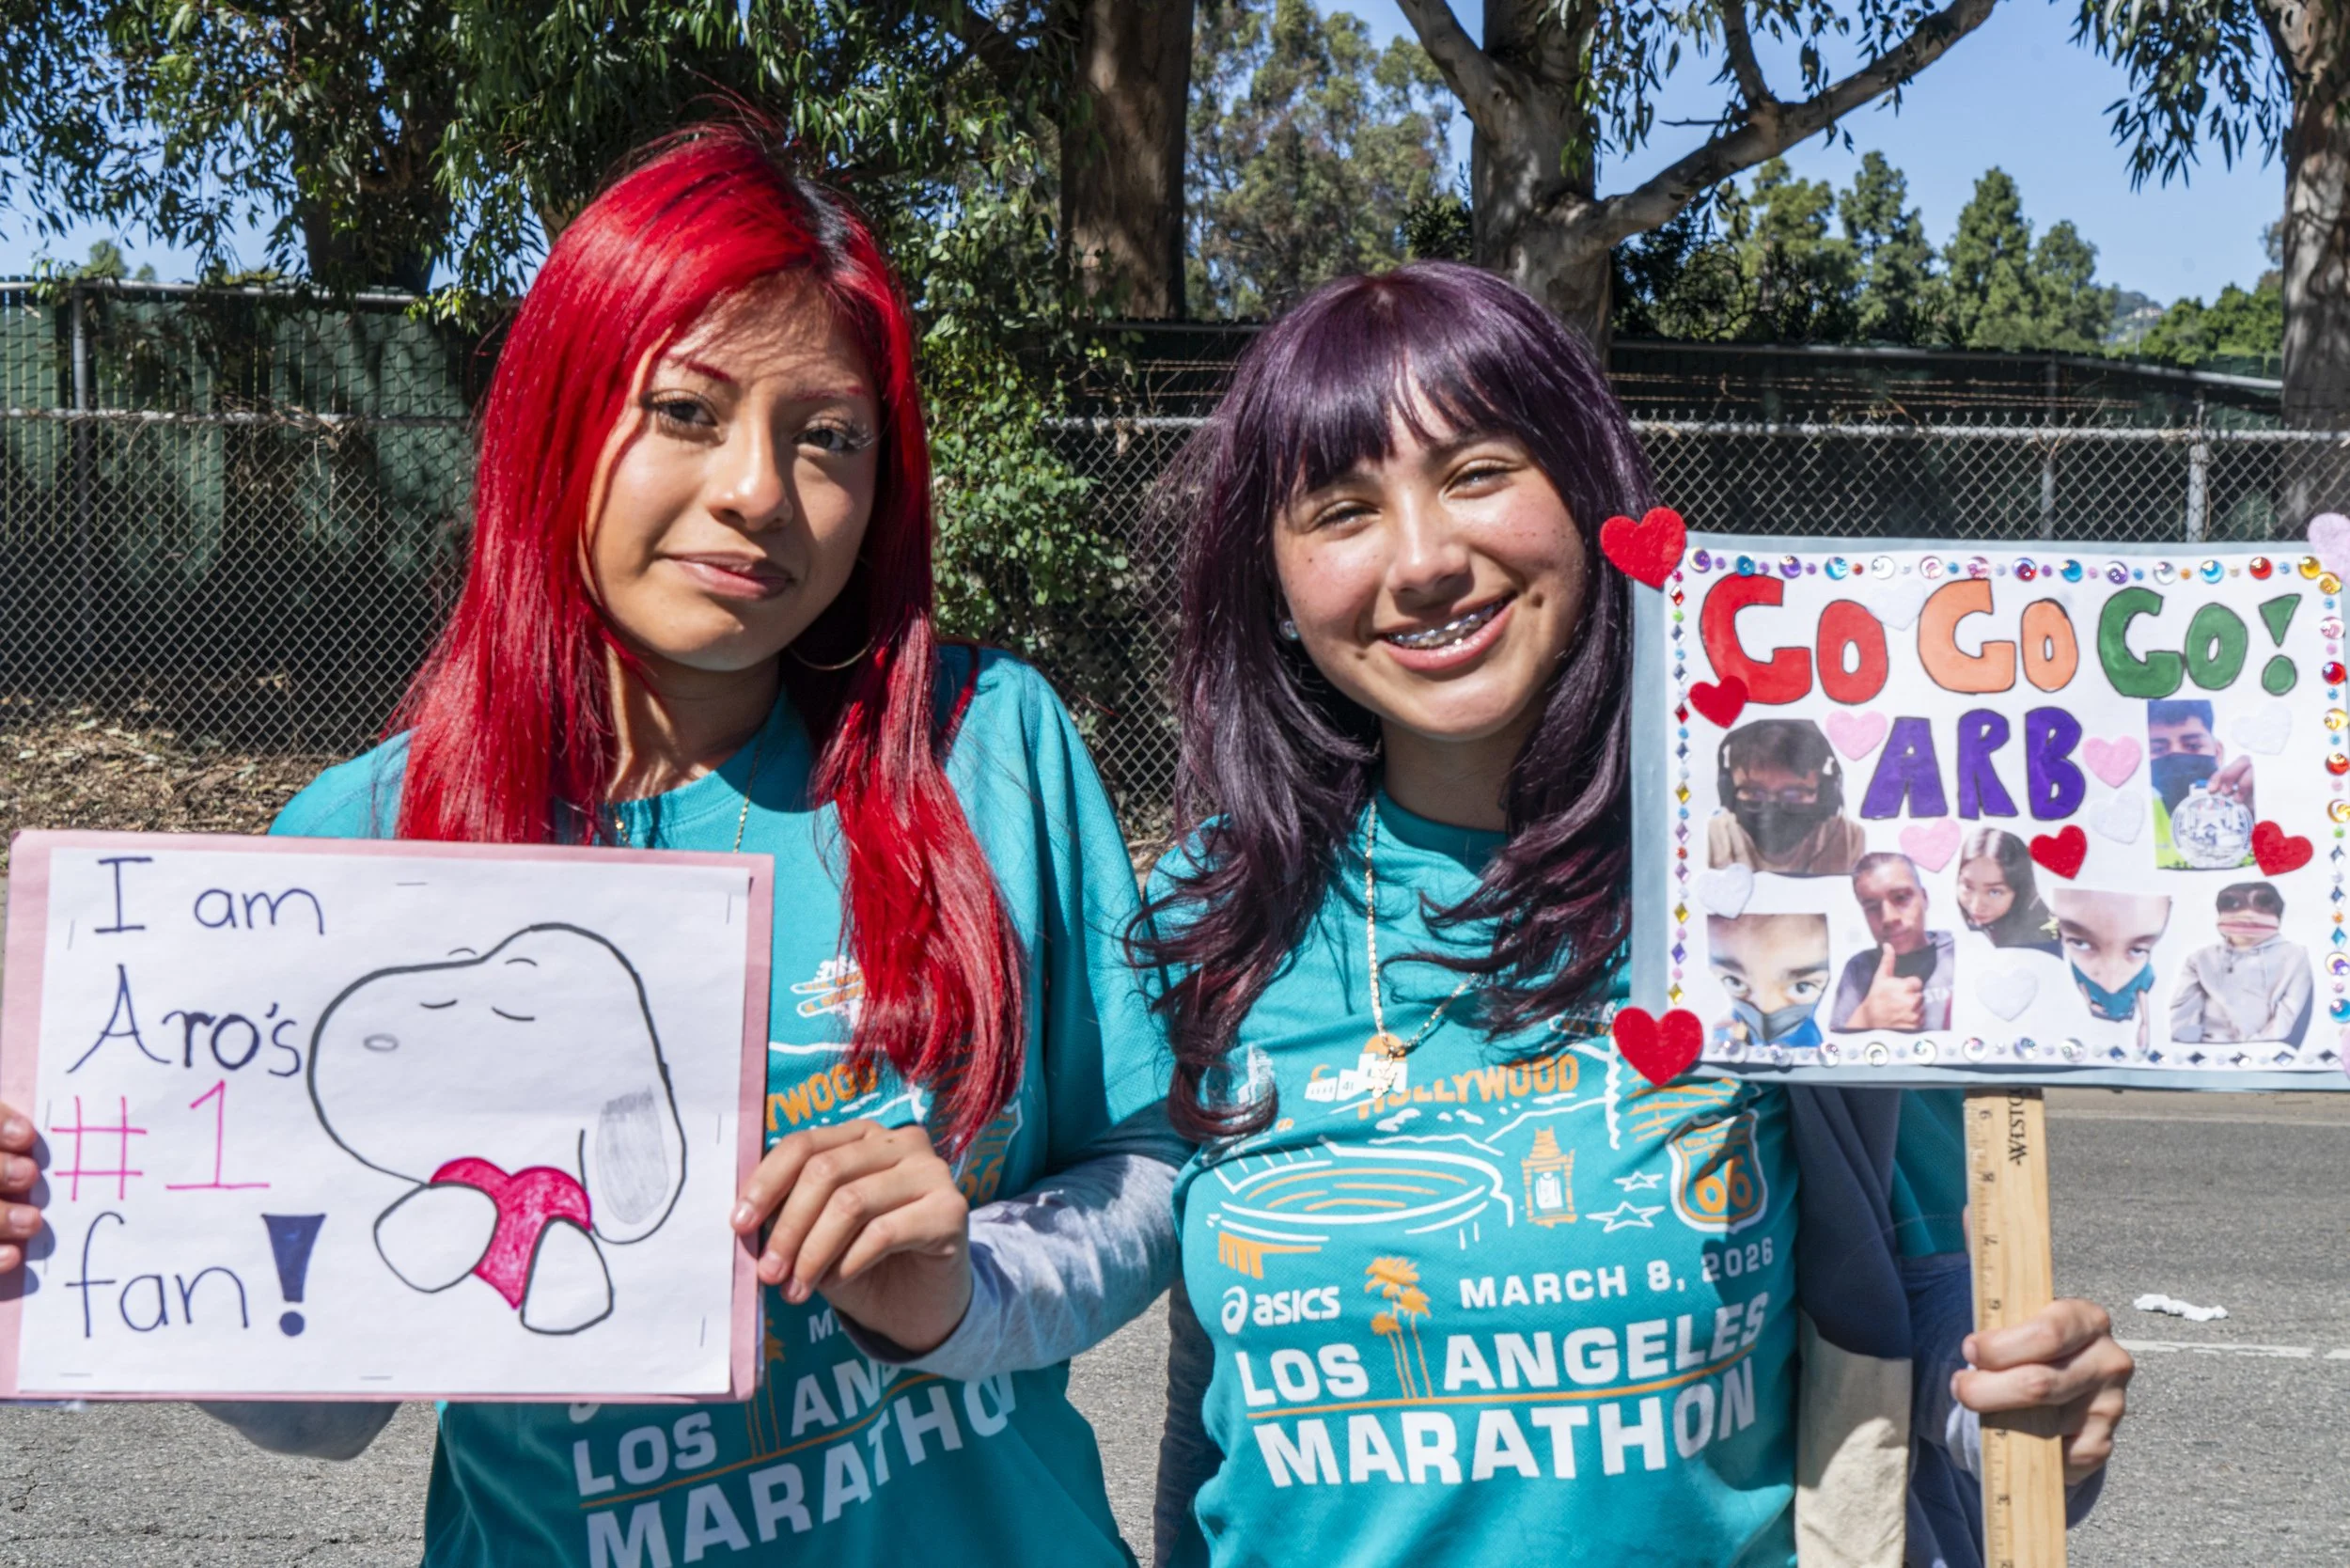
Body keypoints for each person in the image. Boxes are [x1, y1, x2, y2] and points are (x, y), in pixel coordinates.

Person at [0, 126, 1187, 1568]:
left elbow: (1143, 1167)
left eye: (829, 437)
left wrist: (970, 1286)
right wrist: (67, 1229)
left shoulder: (985, 748)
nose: (760, 490)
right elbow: (320, 1414)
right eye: (686, 410)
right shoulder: (363, 839)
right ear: (559, 417)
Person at [1130, 263, 2129, 1568]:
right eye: (1343, 509)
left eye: (1481, 471)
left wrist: (2021, 1393)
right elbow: (1207, 1402)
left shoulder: (1773, 894)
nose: (1427, 562)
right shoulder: (1212, 913)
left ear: (1594, 495)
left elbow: (1925, 1287)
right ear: (1272, 574)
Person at [1707, 719, 1865, 875]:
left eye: (1794, 794)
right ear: (1728, 790)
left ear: (1825, 793)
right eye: (1754, 792)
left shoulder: (1850, 839)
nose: (1772, 810)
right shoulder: (1710, 839)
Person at [2170, 881, 2313, 1046]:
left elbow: (2289, 1012)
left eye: (2262, 904)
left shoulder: (2296, 956)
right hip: (2210, 1049)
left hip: (2267, 1052)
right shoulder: (2200, 958)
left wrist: (2255, 1050)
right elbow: (2184, 1012)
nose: (2247, 914)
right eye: (2233, 905)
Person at [1831, 853, 1957, 1033]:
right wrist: (1866, 1018)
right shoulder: (1859, 969)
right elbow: (1835, 1051)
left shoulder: (1959, 953)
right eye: (1872, 907)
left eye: (1901, 898)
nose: (1888, 918)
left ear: (1924, 898)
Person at [2053, 886, 2172, 1052]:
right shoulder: (2070, 969)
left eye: (2137, 950)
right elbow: (2082, 984)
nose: (2111, 977)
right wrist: (2090, 1004)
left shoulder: (2144, 973)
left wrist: (2145, 1025)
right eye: (2081, 943)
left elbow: (2142, 996)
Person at [2149, 698, 2255, 870]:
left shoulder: (2248, 805)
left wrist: (2267, 807)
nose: (2177, 758)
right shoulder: (2144, 817)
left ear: (2218, 752)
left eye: (2192, 745)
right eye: (2158, 749)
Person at [1707, 912, 1831, 1051]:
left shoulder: (1809, 1039)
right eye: (1735, 982)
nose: (1766, 1008)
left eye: (1801, 987)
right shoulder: (1728, 1027)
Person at [1955, 826, 2060, 954]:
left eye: (1994, 892)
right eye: (1968, 887)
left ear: (2020, 890)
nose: (1976, 907)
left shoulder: (2044, 941)